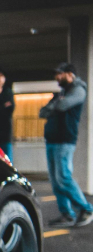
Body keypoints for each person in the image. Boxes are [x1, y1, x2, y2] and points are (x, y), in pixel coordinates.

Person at [39, 62, 92, 227]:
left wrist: (54, 105)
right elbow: (43, 112)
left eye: (60, 74)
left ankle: (86, 209)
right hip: (52, 140)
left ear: (70, 74)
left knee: (63, 178)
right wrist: (55, 105)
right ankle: (67, 214)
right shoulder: (62, 93)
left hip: (65, 140)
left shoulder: (78, 90)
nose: (57, 77)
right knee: (55, 181)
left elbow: (62, 106)